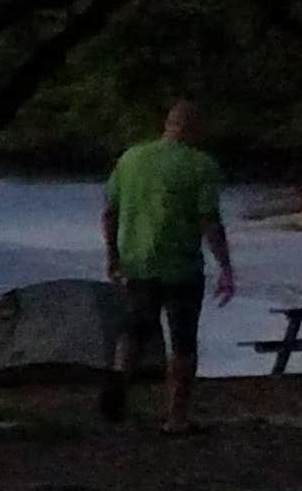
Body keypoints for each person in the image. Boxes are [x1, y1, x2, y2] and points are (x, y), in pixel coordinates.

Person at [101, 100, 236, 431]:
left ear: (167, 124)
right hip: (181, 267)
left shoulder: (130, 158)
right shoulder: (202, 166)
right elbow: (209, 221)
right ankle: (176, 417)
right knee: (182, 340)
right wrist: (226, 268)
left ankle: (119, 383)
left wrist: (112, 256)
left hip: (136, 263)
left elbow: (109, 212)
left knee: (135, 330)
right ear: (194, 128)